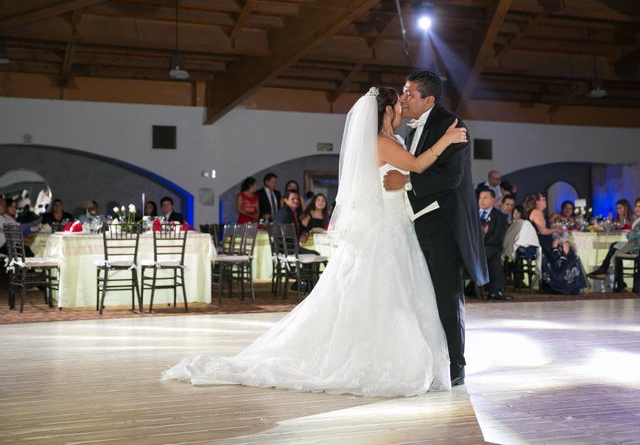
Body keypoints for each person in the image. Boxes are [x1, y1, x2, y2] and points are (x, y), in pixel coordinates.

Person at [162, 86, 467, 396]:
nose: (402, 106)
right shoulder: (380, 143)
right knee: (384, 293)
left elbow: (408, 174)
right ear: (386, 111)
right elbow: (415, 166)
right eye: (398, 104)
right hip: (385, 228)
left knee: (394, 293)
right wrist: (446, 140)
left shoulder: (393, 141)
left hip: (398, 224)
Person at [383, 71, 488, 387]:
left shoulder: (451, 124)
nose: (403, 99)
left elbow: (452, 178)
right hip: (411, 222)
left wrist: (409, 181)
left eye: (409, 93)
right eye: (402, 93)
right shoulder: (404, 133)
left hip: (441, 223)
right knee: (419, 295)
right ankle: (425, 359)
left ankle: (456, 363)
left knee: (446, 294)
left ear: (429, 99)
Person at [524, 192, 586, 295]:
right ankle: (563, 284)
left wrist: (554, 230)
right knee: (571, 254)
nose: (544, 199)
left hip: (544, 240)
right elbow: (543, 232)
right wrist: (556, 230)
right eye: (542, 199)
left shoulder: (538, 212)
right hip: (543, 243)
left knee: (566, 246)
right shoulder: (536, 212)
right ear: (537, 202)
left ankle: (563, 282)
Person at [587, 198, 640, 291]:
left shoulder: (635, 219)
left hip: (635, 247)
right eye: (636, 206)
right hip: (633, 245)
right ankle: (617, 281)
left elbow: (631, 235)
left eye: (620, 208)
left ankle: (605, 271)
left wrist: (630, 234)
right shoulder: (635, 220)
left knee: (614, 250)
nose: (637, 208)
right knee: (614, 247)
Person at [478, 189, 512, 300]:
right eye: (480, 198)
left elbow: (497, 238)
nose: (481, 201)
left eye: (485, 198)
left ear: (493, 200)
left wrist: (483, 237)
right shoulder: (472, 215)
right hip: (473, 248)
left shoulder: (499, 217)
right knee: (493, 257)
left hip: (489, 246)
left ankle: (494, 290)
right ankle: (496, 290)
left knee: (493, 252)